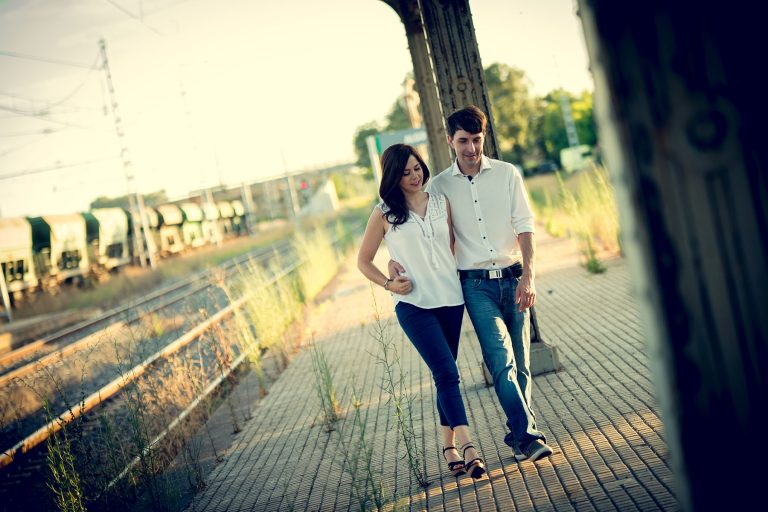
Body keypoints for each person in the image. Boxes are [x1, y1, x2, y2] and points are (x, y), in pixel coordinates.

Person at [390, 105, 553, 462]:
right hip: (475, 286)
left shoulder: (508, 174)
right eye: (463, 140)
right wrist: (393, 259)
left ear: (484, 138)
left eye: (477, 140)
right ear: (450, 141)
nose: (471, 148)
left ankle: (516, 434)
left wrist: (529, 276)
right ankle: (529, 436)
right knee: (501, 361)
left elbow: (525, 226)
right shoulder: (439, 187)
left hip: (513, 279)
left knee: (522, 365)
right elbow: (421, 231)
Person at [357, 143, 486, 479]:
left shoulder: (442, 203)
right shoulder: (384, 213)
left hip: (450, 299)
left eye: (417, 168)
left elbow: (456, 245)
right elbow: (363, 260)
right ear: (393, 177)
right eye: (405, 172)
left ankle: (448, 446)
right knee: (447, 373)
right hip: (413, 305)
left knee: (445, 374)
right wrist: (388, 283)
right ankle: (470, 446)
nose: (414, 176)